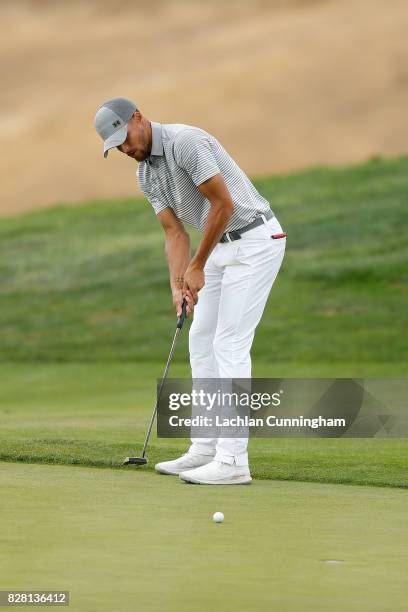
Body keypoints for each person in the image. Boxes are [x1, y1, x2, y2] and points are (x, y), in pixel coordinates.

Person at [94, 97, 286, 485]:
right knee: (200, 340)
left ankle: (234, 461)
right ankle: (205, 447)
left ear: (138, 118)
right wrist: (177, 284)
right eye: (116, 147)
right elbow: (173, 231)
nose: (125, 149)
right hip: (216, 247)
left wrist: (197, 265)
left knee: (229, 343)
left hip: (254, 239)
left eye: (124, 138)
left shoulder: (186, 142)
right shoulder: (145, 174)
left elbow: (223, 203)